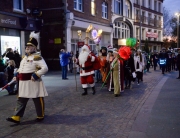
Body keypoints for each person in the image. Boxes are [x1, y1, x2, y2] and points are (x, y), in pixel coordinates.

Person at [6, 36, 48, 124]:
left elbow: (45, 68)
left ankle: (40, 115)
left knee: (37, 99)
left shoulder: (37, 57)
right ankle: (16, 116)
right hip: (23, 83)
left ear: (34, 47)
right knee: (21, 99)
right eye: (27, 46)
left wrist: (36, 75)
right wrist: (17, 74)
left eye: (30, 46)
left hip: (33, 82)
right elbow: (21, 68)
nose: (27, 48)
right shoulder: (24, 58)